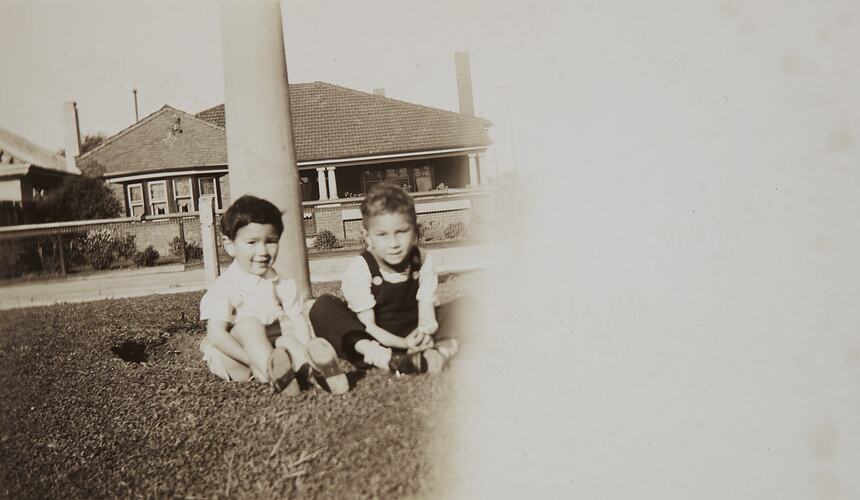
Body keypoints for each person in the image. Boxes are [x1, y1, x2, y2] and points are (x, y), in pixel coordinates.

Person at [309, 184, 469, 374]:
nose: (393, 244)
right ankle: (383, 358)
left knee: (467, 306)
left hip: (413, 328)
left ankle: (439, 352)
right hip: (375, 337)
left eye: (401, 232)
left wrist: (423, 333)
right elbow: (369, 325)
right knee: (323, 306)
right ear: (367, 237)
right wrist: (403, 343)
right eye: (382, 235)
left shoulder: (422, 259)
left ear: (415, 231)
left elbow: (426, 311)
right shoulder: (361, 267)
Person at [199, 194, 348, 394]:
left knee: (286, 341)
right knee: (249, 324)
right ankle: (273, 372)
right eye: (252, 242)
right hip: (234, 357)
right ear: (230, 245)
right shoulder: (225, 286)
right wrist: (252, 359)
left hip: (272, 350)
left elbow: (298, 320)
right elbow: (216, 336)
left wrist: (305, 346)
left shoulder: (281, 281)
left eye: (270, 241)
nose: (263, 251)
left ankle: (314, 370)